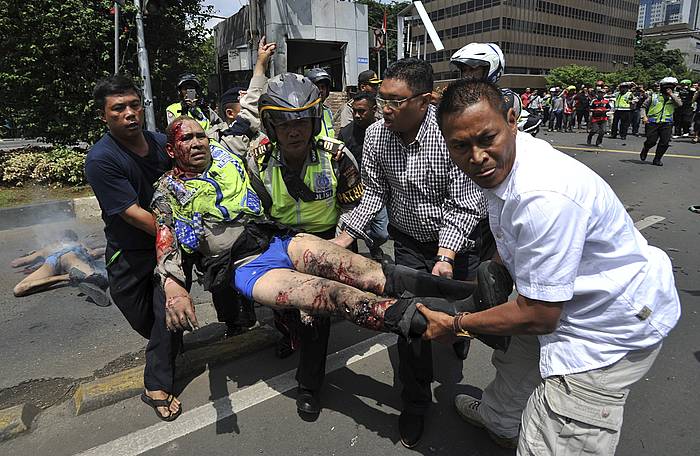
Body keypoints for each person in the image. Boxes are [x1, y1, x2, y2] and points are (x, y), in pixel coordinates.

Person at [152, 115, 511, 387]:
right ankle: (461, 324)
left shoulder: (229, 155)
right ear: (172, 149)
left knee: (367, 271)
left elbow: (255, 108)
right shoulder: (166, 190)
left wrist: (262, 65)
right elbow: (166, 241)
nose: (198, 142)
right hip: (247, 267)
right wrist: (173, 287)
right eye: (188, 139)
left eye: (201, 134)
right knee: (332, 296)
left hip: (277, 239)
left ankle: (473, 297)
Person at [421, 79, 680, 453]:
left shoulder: (543, 196)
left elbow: (540, 315)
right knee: (515, 360)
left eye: (486, 139)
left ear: (513, 120)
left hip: (606, 331)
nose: (476, 157)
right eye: (461, 146)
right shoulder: (509, 160)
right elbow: (513, 238)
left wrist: (456, 324)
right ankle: (498, 419)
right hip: (562, 302)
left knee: (555, 435)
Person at [332, 58, 490, 448]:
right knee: (410, 321)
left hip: (455, 242)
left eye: (395, 101)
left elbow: (466, 203)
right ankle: (415, 404)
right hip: (406, 242)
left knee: (458, 314)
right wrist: (344, 237)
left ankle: (458, 331)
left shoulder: (450, 133)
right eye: (380, 98)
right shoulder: (375, 136)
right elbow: (373, 194)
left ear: (425, 100)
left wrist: (446, 255)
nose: (384, 108)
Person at [245, 72, 363, 415]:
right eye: (283, 124)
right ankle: (287, 326)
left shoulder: (337, 156)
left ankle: (309, 386)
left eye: (300, 122)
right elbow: (256, 211)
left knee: (315, 316)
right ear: (270, 126)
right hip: (282, 242)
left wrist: (340, 242)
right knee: (281, 303)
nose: (293, 131)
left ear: (313, 122)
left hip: (331, 240)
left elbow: (355, 207)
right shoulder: (257, 161)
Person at [85, 75, 181, 421]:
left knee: (165, 313)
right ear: (104, 116)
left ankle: (155, 385)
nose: (130, 113)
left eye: (134, 105)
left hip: (166, 251)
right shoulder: (102, 159)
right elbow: (130, 213)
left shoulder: (160, 144)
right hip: (128, 252)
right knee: (144, 318)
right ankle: (170, 342)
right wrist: (176, 229)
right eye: (119, 108)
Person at [337, 93, 389, 261]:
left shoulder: (384, 131)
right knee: (348, 230)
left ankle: (372, 244)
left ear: (374, 110)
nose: (357, 115)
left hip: (377, 190)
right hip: (352, 192)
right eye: (355, 111)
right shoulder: (345, 133)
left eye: (362, 111)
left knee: (382, 233)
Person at [208, 36, 277, 156]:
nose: (253, 105)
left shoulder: (264, 131)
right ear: (230, 113)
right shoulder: (218, 140)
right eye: (244, 102)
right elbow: (250, 112)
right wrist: (260, 63)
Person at [11, 229, 110, 306]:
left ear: (60, 238)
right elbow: (93, 253)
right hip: (69, 257)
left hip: (51, 262)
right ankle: (83, 280)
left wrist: (31, 255)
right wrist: (105, 249)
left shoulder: (47, 247)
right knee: (97, 276)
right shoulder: (78, 243)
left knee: (18, 289)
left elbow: (15, 263)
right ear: (73, 238)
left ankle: (61, 277)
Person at [640, 77, 682, 166]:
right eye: (667, 87)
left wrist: (671, 95)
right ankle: (645, 148)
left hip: (667, 123)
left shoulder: (675, 97)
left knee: (664, 142)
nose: (668, 89)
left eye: (671, 87)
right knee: (651, 141)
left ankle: (657, 159)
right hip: (652, 122)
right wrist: (644, 117)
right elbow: (643, 107)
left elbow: (679, 104)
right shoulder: (653, 96)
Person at [304, 68, 335, 138]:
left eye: (323, 87)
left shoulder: (327, 111)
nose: (320, 90)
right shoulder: (303, 113)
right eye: (317, 87)